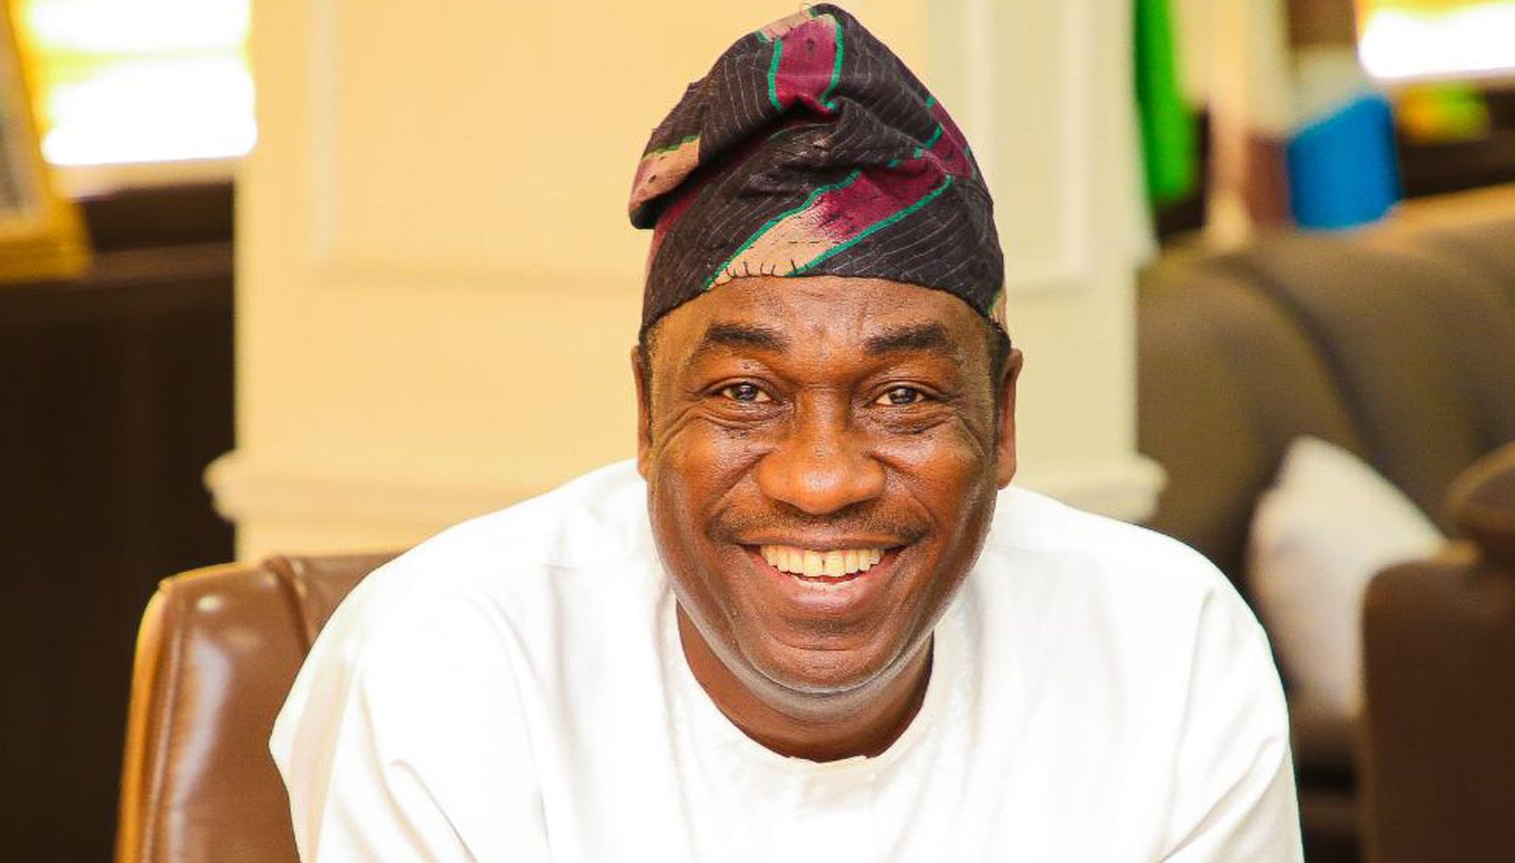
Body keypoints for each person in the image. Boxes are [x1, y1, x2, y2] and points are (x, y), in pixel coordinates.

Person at [270, 5, 1304, 860]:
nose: (821, 480)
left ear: (1003, 418)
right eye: (745, 394)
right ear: (646, 413)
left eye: (902, 397)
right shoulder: (453, 667)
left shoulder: (1165, 652)